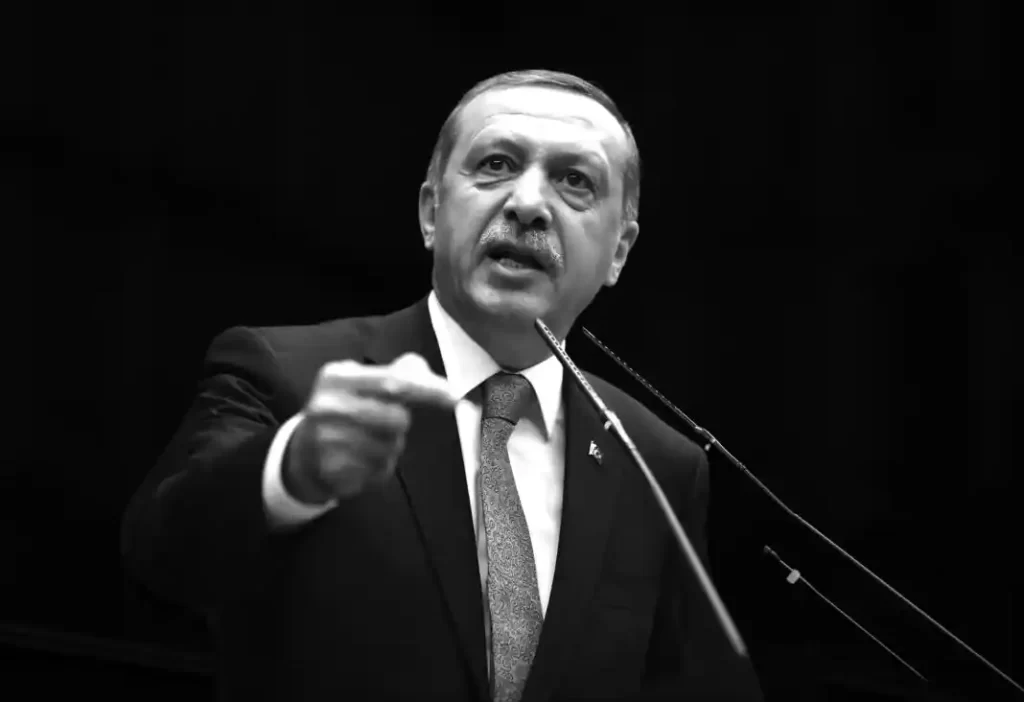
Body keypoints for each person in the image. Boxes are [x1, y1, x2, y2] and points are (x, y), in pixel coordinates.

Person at [121, 69, 764, 702]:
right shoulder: (287, 375)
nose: (528, 203)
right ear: (431, 211)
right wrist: (294, 467)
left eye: (575, 181)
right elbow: (163, 553)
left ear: (619, 251)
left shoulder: (659, 462)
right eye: (495, 165)